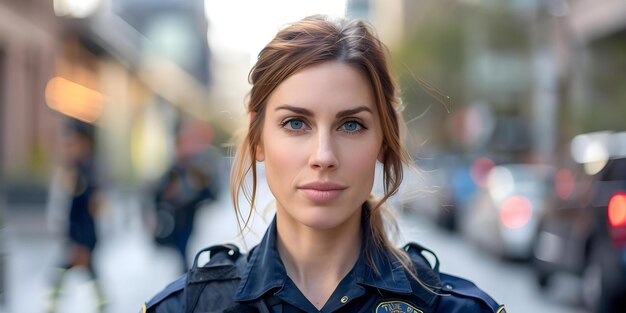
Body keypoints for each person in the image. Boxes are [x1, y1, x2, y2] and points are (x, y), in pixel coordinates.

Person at [141, 15, 506, 313]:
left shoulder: (456, 309)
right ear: (257, 139)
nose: (323, 156)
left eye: (351, 125)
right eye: (295, 123)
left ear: (383, 140)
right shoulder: (185, 308)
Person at [48, 119, 105, 313]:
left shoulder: (86, 173)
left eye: (73, 142)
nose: (69, 146)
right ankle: (101, 304)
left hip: (82, 237)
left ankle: (53, 305)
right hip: (75, 236)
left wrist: (81, 243)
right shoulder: (73, 168)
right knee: (77, 272)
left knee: (72, 271)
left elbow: (87, 213)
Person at [151, 119, 221, 273]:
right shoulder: (175, 169)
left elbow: (209, 192)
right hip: (175, 223)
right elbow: (159, 192)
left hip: (193, 222)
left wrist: (182, 195)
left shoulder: (200, 165)